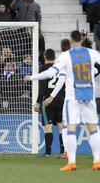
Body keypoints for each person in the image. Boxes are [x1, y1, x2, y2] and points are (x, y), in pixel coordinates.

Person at [25, 30, 100, 171]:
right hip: (89, 95)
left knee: (70, 128)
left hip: (72, 96)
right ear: (82, 40)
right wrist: (94, 72)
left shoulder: (66, 56)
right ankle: (97, 161)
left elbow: (51, 73)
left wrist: (32, 77)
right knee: (93, 129)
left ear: (71, 41)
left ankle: (72, 162)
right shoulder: (92, 53)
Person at [33, 49, 66, 158]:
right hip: (61, 101)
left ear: (45, 57)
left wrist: (38, 102)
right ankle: (63, 152)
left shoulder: (43, 69)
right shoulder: (60, 68)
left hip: (48, 102)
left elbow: (42, 88)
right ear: (54, 57)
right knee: (61, 127)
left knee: (48, 127)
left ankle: (48, 152)